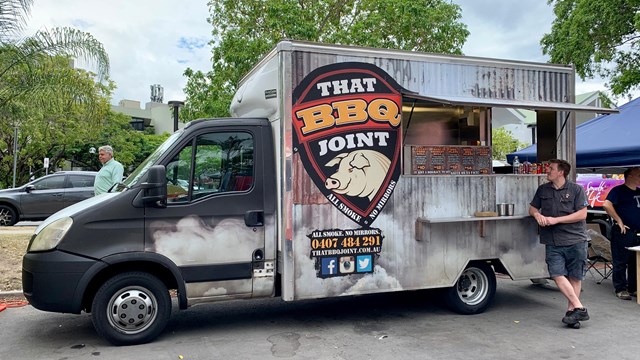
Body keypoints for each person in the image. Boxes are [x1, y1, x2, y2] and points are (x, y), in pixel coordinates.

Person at [529, 159, 590, 326]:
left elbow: (582, 215)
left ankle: (572, 313)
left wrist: (555, 220)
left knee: (575, 277)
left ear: (561, 172)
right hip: (552, 241)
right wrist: (537, 215)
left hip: (575, 239)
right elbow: (532, 208)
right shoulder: (542, 189)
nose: (547, 170)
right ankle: (579, 307)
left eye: (551, 168)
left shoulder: (576, 190)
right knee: (556, 274)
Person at [602, 167, 640, 300]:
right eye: (638, 174)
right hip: (624, 231)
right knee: (621, 260)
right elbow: (606, 205)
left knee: (636, 260)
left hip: (638, 232)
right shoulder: (618, 190)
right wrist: (619, 221)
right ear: (629, 176)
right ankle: (621, 288)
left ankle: (634, 287)